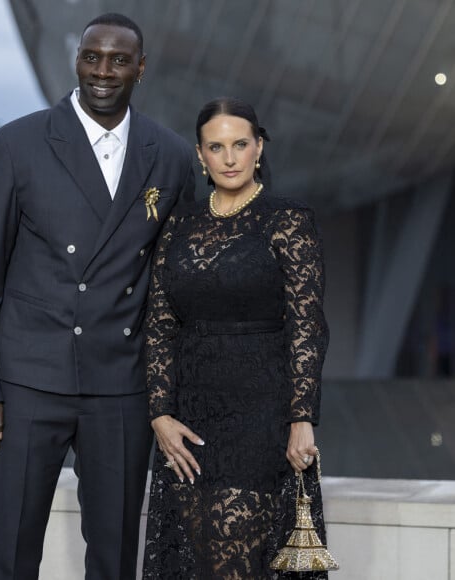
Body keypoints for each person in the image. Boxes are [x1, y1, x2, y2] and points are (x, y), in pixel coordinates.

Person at [0, 12, 195, 580]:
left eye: (118, 60)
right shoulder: (19, 142)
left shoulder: (170, 154)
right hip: (28, 381)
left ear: (141, 68)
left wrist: (169, 393)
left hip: (120, 384)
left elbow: (175, 288)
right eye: (93, 57)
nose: (103, 71)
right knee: (11, 551)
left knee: (114, 557)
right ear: (77, 61)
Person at [142, 97, 329, 579]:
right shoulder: (178, 224)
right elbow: (160, 321)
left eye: (240, 144)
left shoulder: (287, 219)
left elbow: (307, 324)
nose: (229, 158)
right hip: (191, 421)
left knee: (239, 560)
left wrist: (302, 418)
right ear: (201, 156)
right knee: (195, 557)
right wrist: (160, 413)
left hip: (261, 417)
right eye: (216, 147)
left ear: (259, 147)